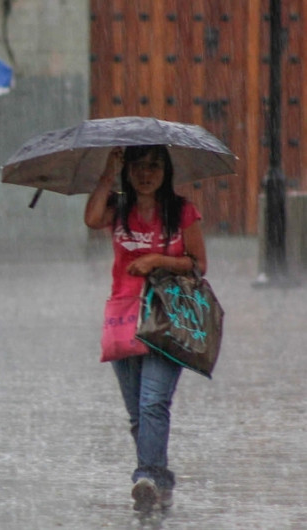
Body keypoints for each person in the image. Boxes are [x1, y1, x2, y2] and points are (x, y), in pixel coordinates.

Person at [84, 145, 207, 512]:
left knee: (154, 402)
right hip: (124, 318)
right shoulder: (120, 209)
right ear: (128, 170)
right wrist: (108, 172)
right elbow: (91, 218)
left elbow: (199, 263)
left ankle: (147, 475)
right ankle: (159, 478)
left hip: (168, 318)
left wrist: (157, 260)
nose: (146, 174)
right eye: (138, 166)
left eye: (154, 166)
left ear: (165, 171)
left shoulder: (182, 211)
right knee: (139, 412)